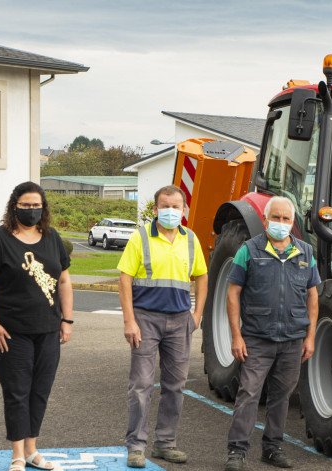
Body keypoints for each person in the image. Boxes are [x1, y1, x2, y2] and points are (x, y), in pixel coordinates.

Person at [0, 181, 74, 471]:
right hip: (9, 331)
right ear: (14, 206)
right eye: (25, 205)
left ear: (43, 208)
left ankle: (32, 450)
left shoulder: (52, 238)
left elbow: (64, 281)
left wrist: (67, 320)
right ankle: (17, 454)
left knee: (40, 390)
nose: (31, 210)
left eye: (36, 205)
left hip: (47, 329)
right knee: (17, 390)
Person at [224, 196, 319, 471]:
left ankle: (272, 449)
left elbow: (313, 297)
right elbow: (233, 295)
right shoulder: (248, 250)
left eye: (286, 219)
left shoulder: (306, 253)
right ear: (265, 220)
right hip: (256, 338)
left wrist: (310, 337)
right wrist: (236, 336)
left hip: (292, 340)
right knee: (249, 394)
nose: (280, 223)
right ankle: (237, 452)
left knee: (281, 397)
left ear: (293, 223)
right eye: (275, 218)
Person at [118, 185, 207, 468]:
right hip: (145, 320)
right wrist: (129, 320)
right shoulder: (140, 237)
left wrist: (197, 314)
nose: (171, 211)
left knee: (175, 386)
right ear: (155, 209)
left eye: (176, 206)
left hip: (180, 321)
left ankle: (165, 444)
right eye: (165, 206)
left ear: (184, 210)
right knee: (141, 385)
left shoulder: (191, 239)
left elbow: (202, 277)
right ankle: (136, 446)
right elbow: (125, 279)